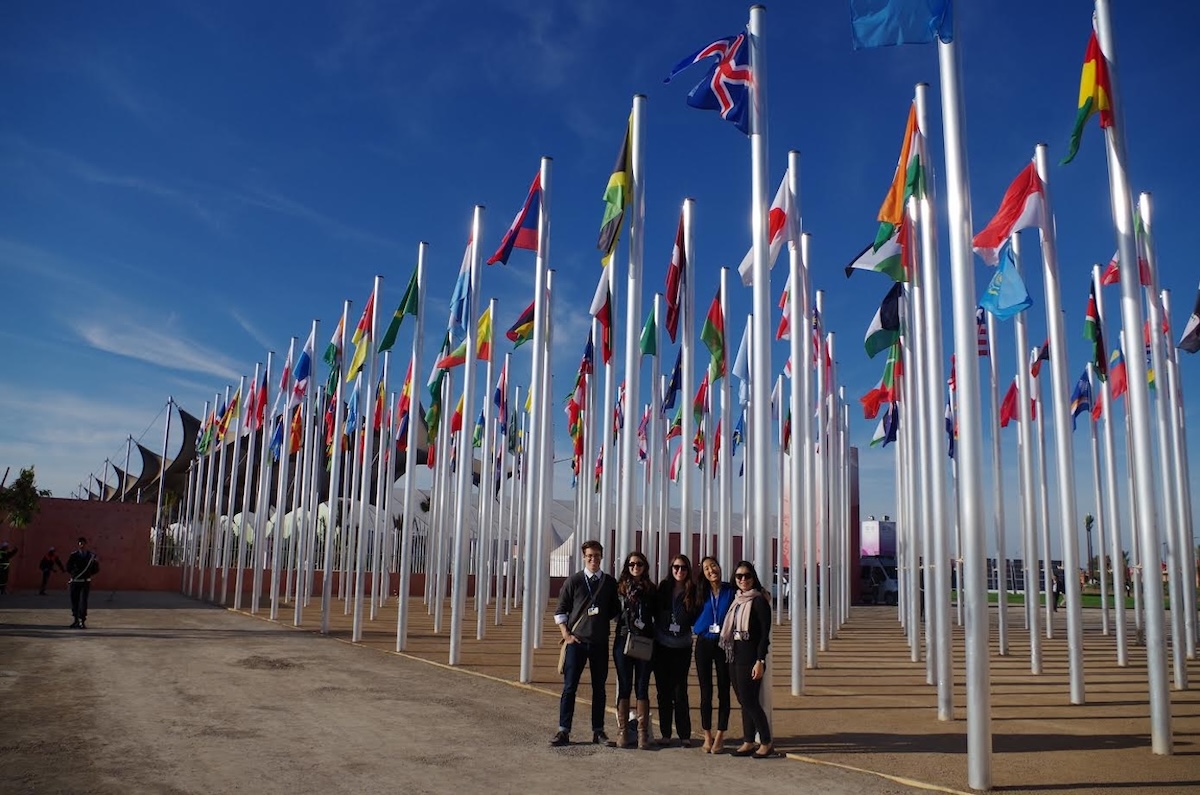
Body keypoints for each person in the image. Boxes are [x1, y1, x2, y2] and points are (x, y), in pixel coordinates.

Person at [551, 539, 620, 747]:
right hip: (576, 643)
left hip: (599, 643)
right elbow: (560, 611)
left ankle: (598, 731)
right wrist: (567, 635)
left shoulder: (609, 582)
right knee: (569, 687)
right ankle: (564, 730)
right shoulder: (574, 581)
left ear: (602, 556)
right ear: (584, 557)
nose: (593, 559)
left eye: (597, 555)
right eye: (589, 555)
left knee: (599, 688)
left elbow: (615, 611)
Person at [721, 560, 775, 758]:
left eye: (747, 576)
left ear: (753, 578)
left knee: (749, 700)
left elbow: (763, 635)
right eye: (739, 576)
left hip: (750, 656)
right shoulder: (736, 600)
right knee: (743, 700)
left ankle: (766, 741)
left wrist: (760, 660)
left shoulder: (759, 601)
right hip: (734, 654)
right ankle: (748, 740)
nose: (743, 580)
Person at [610, 551, 656, 749]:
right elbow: (610, 612)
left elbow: (660, 613)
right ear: (626, 567)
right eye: (631, 564)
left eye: (639, 564)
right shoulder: (619, 589)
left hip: (644, 641)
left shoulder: (651, 590)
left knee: (642, 685)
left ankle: (642, 733)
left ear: (645, 566)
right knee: (624, 684)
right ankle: (622, 732)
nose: (635, 567)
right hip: (623, 640)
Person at [652, 553, 699, 747]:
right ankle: (665, 733)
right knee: (663, 691)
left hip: (682, 647)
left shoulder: (693, 591)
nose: (679, 571)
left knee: (680, 691)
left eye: (684, 568)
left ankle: (684, 734)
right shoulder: (663, 588)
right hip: (661, 646)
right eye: (676, 567)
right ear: (671, 569)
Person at [693, 555, 735, 754]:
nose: (711, 570)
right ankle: (707, 734)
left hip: (723, 644)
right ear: (703, 573)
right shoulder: (700, 591)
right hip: (703, 643)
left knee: (723, 690)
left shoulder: (730, 590)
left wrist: (765, 593)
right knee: (705, 691)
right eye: (707, 568)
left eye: (714, 566)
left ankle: (720, 734)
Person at [66, 537, 100, 629]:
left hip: (85, 582)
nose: (81, 545)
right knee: (74, 601)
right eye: (80, 543)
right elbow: (68, 567)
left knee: (83, 602)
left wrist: (88, 574)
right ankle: (76, 620)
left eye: (83, 543)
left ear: (85, 544)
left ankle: (82, 620)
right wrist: (75, 573)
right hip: (75, 582)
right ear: (78, 545)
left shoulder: (90, 556)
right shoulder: (73, 555)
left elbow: (96, 569)